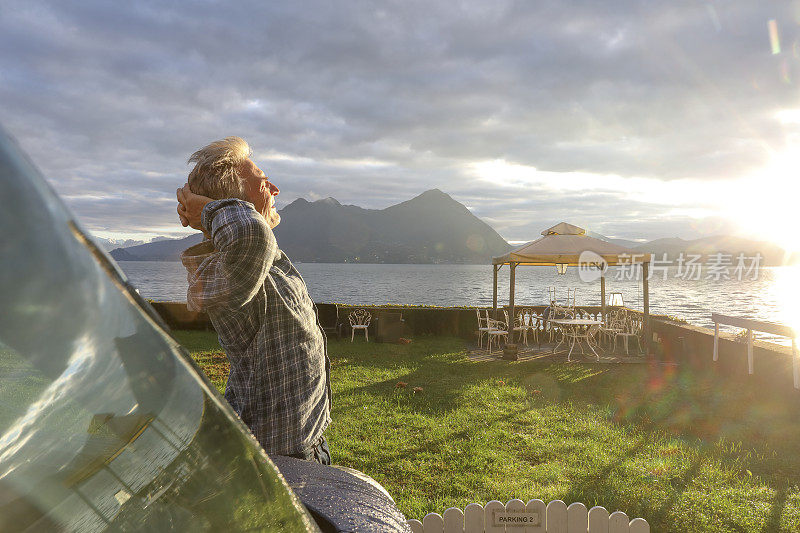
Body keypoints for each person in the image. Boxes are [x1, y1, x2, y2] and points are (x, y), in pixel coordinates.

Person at [176, 136, 331, 464]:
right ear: (234, 204)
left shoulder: (254, 258)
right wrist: (207, 211)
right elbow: (250, 234)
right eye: (263, 182)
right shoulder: (224, 264)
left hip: (302, 440)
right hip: (280, 457)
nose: (275, 189)